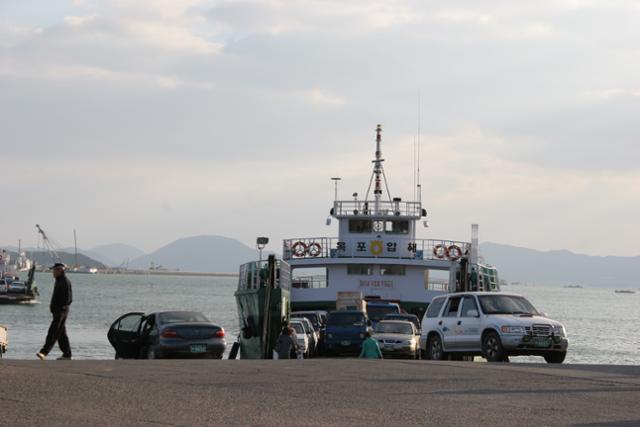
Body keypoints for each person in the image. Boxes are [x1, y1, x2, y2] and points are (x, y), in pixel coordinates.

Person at [36, 263, 73, 360]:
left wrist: (60, 308)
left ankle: (44, 352)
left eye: (54, 270)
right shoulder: (59, 281)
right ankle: (67, 354)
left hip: (61, 311)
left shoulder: (65, 281)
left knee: (53, 331)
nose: (53, 272)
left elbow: (69, 299)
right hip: (57, 311)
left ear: (60, 270)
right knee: (61, 333)